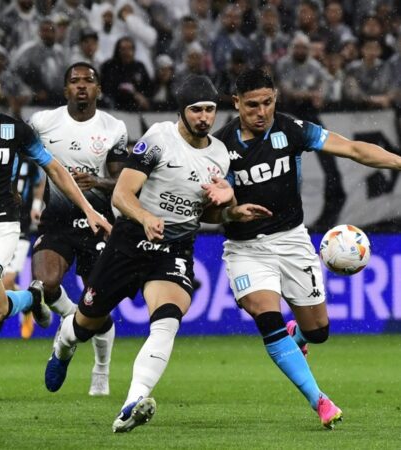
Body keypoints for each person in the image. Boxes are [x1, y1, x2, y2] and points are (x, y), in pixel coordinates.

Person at [42, 75, 270, 432]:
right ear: (182, 110)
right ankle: (64, 346)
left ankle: (132, 402)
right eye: (197, 110)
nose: (205, 117)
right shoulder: (159, 139)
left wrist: (230, 211)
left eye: (210, 110)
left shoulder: (220, 156)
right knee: (86, 323)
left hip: (174, 247)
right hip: (129, 240)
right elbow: (121, 195)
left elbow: (206, 212)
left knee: (167, 320)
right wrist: (146, 217)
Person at [210, 68, 401, 429]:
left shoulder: (291, 129)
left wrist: (398, 161)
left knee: (319, 332)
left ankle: (300, 334)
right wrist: (230, 210)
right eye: (252, 105)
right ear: (236, 103)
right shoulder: (220, 148)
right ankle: (321, 401)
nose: (261, 112)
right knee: (268, 319)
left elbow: (354, 149)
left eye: (268, 102)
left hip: (293, 240)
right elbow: (207, 210)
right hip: (246, 248)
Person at [0, 62, 111, 404]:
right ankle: (33, 299)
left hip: (0, 222)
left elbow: (55, 168)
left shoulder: (14, 131)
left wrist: (89, 209)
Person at [29, 62, 128, 396]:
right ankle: (71, 319)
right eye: (75, 81)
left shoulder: (114, 127)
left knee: (98, 308)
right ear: (65, 89)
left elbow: (124, 182)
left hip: (97, 223)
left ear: (98, 89)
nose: (82, 86)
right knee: (46, 283)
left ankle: (101, 372)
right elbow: (25, 162)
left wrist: (98, 181)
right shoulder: (43, 123)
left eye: (89, 81)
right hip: (56, 220)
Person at [0, 158, 45, 362]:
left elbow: (40, 181)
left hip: (22, 227)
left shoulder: (28, 157)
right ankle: (28, 305)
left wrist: (37, 205)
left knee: (7, 281)